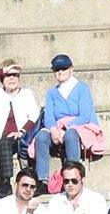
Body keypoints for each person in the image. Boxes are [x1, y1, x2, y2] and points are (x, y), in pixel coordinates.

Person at [0, 60, 40, 199]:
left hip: (18, 135)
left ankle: (5, 184)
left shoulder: (26, 93)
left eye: (15, 75)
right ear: (1, 78)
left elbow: (34, 115)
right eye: (8, 75)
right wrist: (3, 70)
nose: (12, 78)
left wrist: (22, 131)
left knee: (5, 143)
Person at [33, 54, 99, 184]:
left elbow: (85, 116)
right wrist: (53, 130)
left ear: (71, 69)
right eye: (57, 69)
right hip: (57, 128)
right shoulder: (51, 92)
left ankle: (73, 176)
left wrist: (65, 128)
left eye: (64, 68)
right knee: (41, 137)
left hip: (77, 126)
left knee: (70, 134)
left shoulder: (82, 88)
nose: (60, 72)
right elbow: (49, 116)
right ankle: (42, 180)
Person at [37, 160, 108, 214]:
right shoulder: (55, 201)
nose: (70, 185)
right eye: (66, 181)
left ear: (82, 179)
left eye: (74, 181)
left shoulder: (97, 200)